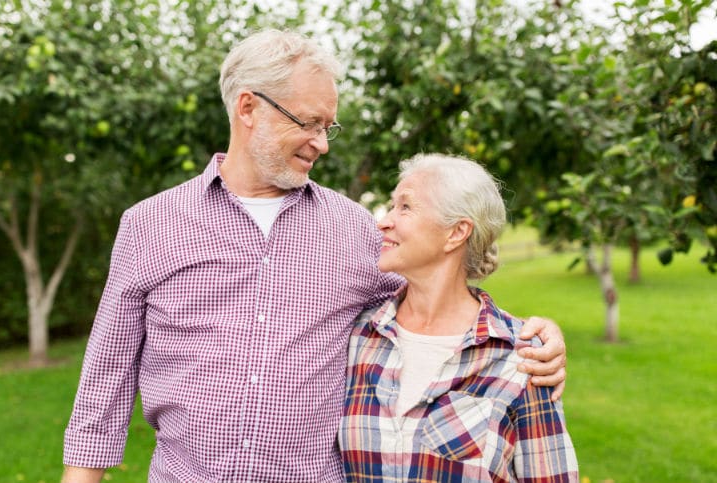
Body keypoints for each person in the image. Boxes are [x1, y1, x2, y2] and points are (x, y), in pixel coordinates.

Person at [62, 30, 568, 483]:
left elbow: (437, 298)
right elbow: (107, 374)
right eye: (309, 123)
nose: (322, 143)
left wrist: (532, 335)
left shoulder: (353, 228)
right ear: (247, 108)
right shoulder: (150, 223)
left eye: (329, 126)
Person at [339, 153, 578, 482]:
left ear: (456, 232)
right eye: (392, 206)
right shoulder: (359, 336)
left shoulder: (521, 357)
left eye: (405, 207)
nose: (384, 221)